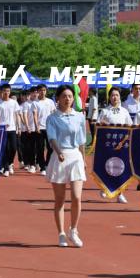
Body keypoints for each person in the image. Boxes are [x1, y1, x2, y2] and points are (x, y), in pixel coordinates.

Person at [46, 85, 87, 248]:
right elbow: (52, 138)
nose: (67, 99)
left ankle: (74, 230)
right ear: (58, 98)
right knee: (60, 199)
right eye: (64, 96)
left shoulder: (79, 116)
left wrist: (83, 159)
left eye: (70, 96)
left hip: (75, 157)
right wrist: (58, 151)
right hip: (60, 158)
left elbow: (82, 140)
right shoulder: (53, 118)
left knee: (77, 197)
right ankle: (61, 233)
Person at [97, 87, 132, 203]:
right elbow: (98, 125)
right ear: (109, 97)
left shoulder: (124, 111)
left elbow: (130, 128)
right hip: (108, 144)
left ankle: (120, 193)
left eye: (116, 95)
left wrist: (122, 142)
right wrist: (104, 123)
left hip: (122, 144)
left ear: (119, 96)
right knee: (107, 167)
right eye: (112, 95)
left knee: (120, 168)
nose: (114, 97)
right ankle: (105, 187)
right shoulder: (105, 111)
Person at [0, 84, 21, 177]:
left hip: (12, 128)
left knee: (14, 148)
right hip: (2, 129)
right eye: (4, 91)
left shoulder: (13, 102)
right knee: (5, 149)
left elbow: (17, 115)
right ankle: (6, 168)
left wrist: (19, 127)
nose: (6, 93)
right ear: (1, 92)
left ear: (10, 92)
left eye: (8, 91)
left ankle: (10, 163)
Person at [35, 84, 56, 176]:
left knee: (50, 148)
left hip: (49, 127)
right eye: (41, 90)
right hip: (40, 128)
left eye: (44, 90)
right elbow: (35, 115)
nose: (42, 92)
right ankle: (42, 167)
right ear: (38, 91)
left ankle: (47, 164)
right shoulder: (35, 103)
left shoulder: (50, 102)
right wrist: (36, 126)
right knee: (40, 148)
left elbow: (53, 113)